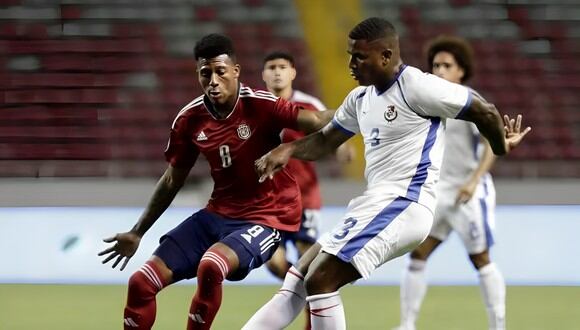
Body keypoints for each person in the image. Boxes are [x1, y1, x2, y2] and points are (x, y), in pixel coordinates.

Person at [243, 17, 530, 330]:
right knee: (299, 275)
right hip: (374, 203)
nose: (351, 63)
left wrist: (500, 147)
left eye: (359, 56)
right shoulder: (360, 98)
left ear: (386, 56)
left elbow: (484, 110)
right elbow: (326, 139)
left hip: (405, 203)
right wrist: (287, 150)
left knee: (321, 280)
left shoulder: (417, 86)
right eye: (350, 55)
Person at [98, 33, 335, 330]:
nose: (213, 80)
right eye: (205, 73)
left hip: (268, 215)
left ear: (235, 71)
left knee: (211, 265)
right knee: (140, 282)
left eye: (220, 72)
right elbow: (172, 180)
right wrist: (137, 232)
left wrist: (360, 110)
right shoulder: (189, 119)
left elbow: (318, 121)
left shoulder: (261, 105)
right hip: (219, 213)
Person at [397, 35, 505, 330]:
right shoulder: (426, 102)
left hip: (469, 190)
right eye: (435, 65)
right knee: (418, 253)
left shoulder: (472, 102)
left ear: (461, 70)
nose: (440, 70)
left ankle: (498, 326)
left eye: (447, 65)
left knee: (480, 258)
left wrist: (474, 180)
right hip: (437, 192)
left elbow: (489, 146)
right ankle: (407, 324)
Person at [261, 50, 354, 330]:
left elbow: (332, 130)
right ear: (263, 74)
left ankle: (310, 319)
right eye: (271, 68)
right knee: (276, 265)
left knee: (310, 265)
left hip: (304, 201)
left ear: (293, 73)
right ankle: (304, 291)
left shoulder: (308, 104)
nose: (277, 72)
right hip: (269, 204)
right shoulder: (255, 105)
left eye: (282, 67)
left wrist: (342, 149)